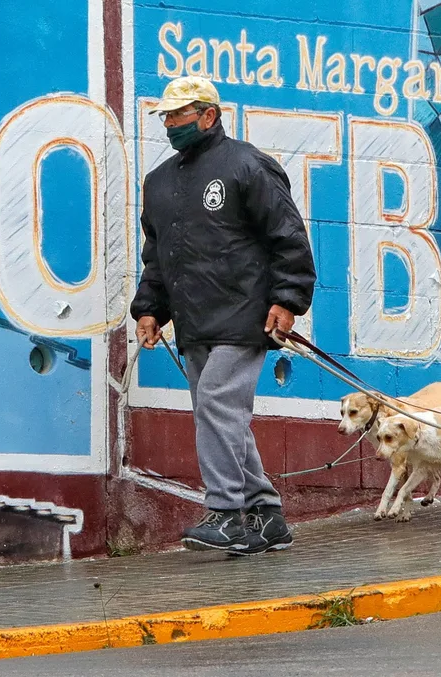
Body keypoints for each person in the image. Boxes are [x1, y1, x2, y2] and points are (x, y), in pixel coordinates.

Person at [132, 76, 316, 557]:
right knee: (221, 415)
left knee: (215, 403)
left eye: (179, 115)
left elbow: (288, 237)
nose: (170, 125)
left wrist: (288, 300)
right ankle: (267, 515)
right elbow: (158, 255)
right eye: (166, 117)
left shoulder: (247, 165)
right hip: (194, 324)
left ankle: (229, 515)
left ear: (209, 115)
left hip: (246, 317)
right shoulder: (159, 182)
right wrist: (151, 308)